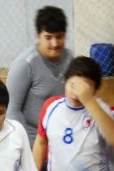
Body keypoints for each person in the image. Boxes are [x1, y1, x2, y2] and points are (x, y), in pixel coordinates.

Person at [6, 5, 73, 147]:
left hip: (63, 135)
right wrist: (29, 146)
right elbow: (12, 111)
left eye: (59, 37)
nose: (54, 44)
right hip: (34, 140)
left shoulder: (69, 58)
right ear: (38, 36)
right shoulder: (24, 65)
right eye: (48, 37)